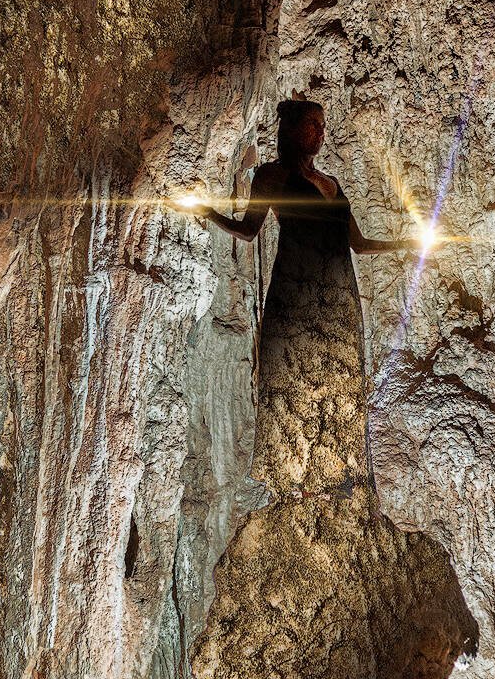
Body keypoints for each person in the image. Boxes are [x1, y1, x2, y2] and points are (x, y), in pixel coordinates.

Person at [180, 98, 423, 499]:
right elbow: (248, 231)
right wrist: (208, 213)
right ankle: (293, 484)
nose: (320, 133)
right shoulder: (270, 177)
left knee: (338, 379)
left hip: (338, 296)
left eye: (323, 126)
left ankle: (338, 480)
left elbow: (357, 244)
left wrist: (403, 245)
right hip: (295, 293)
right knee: (292, 378)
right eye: (313, 125)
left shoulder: (331, 184)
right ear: (291, 130)